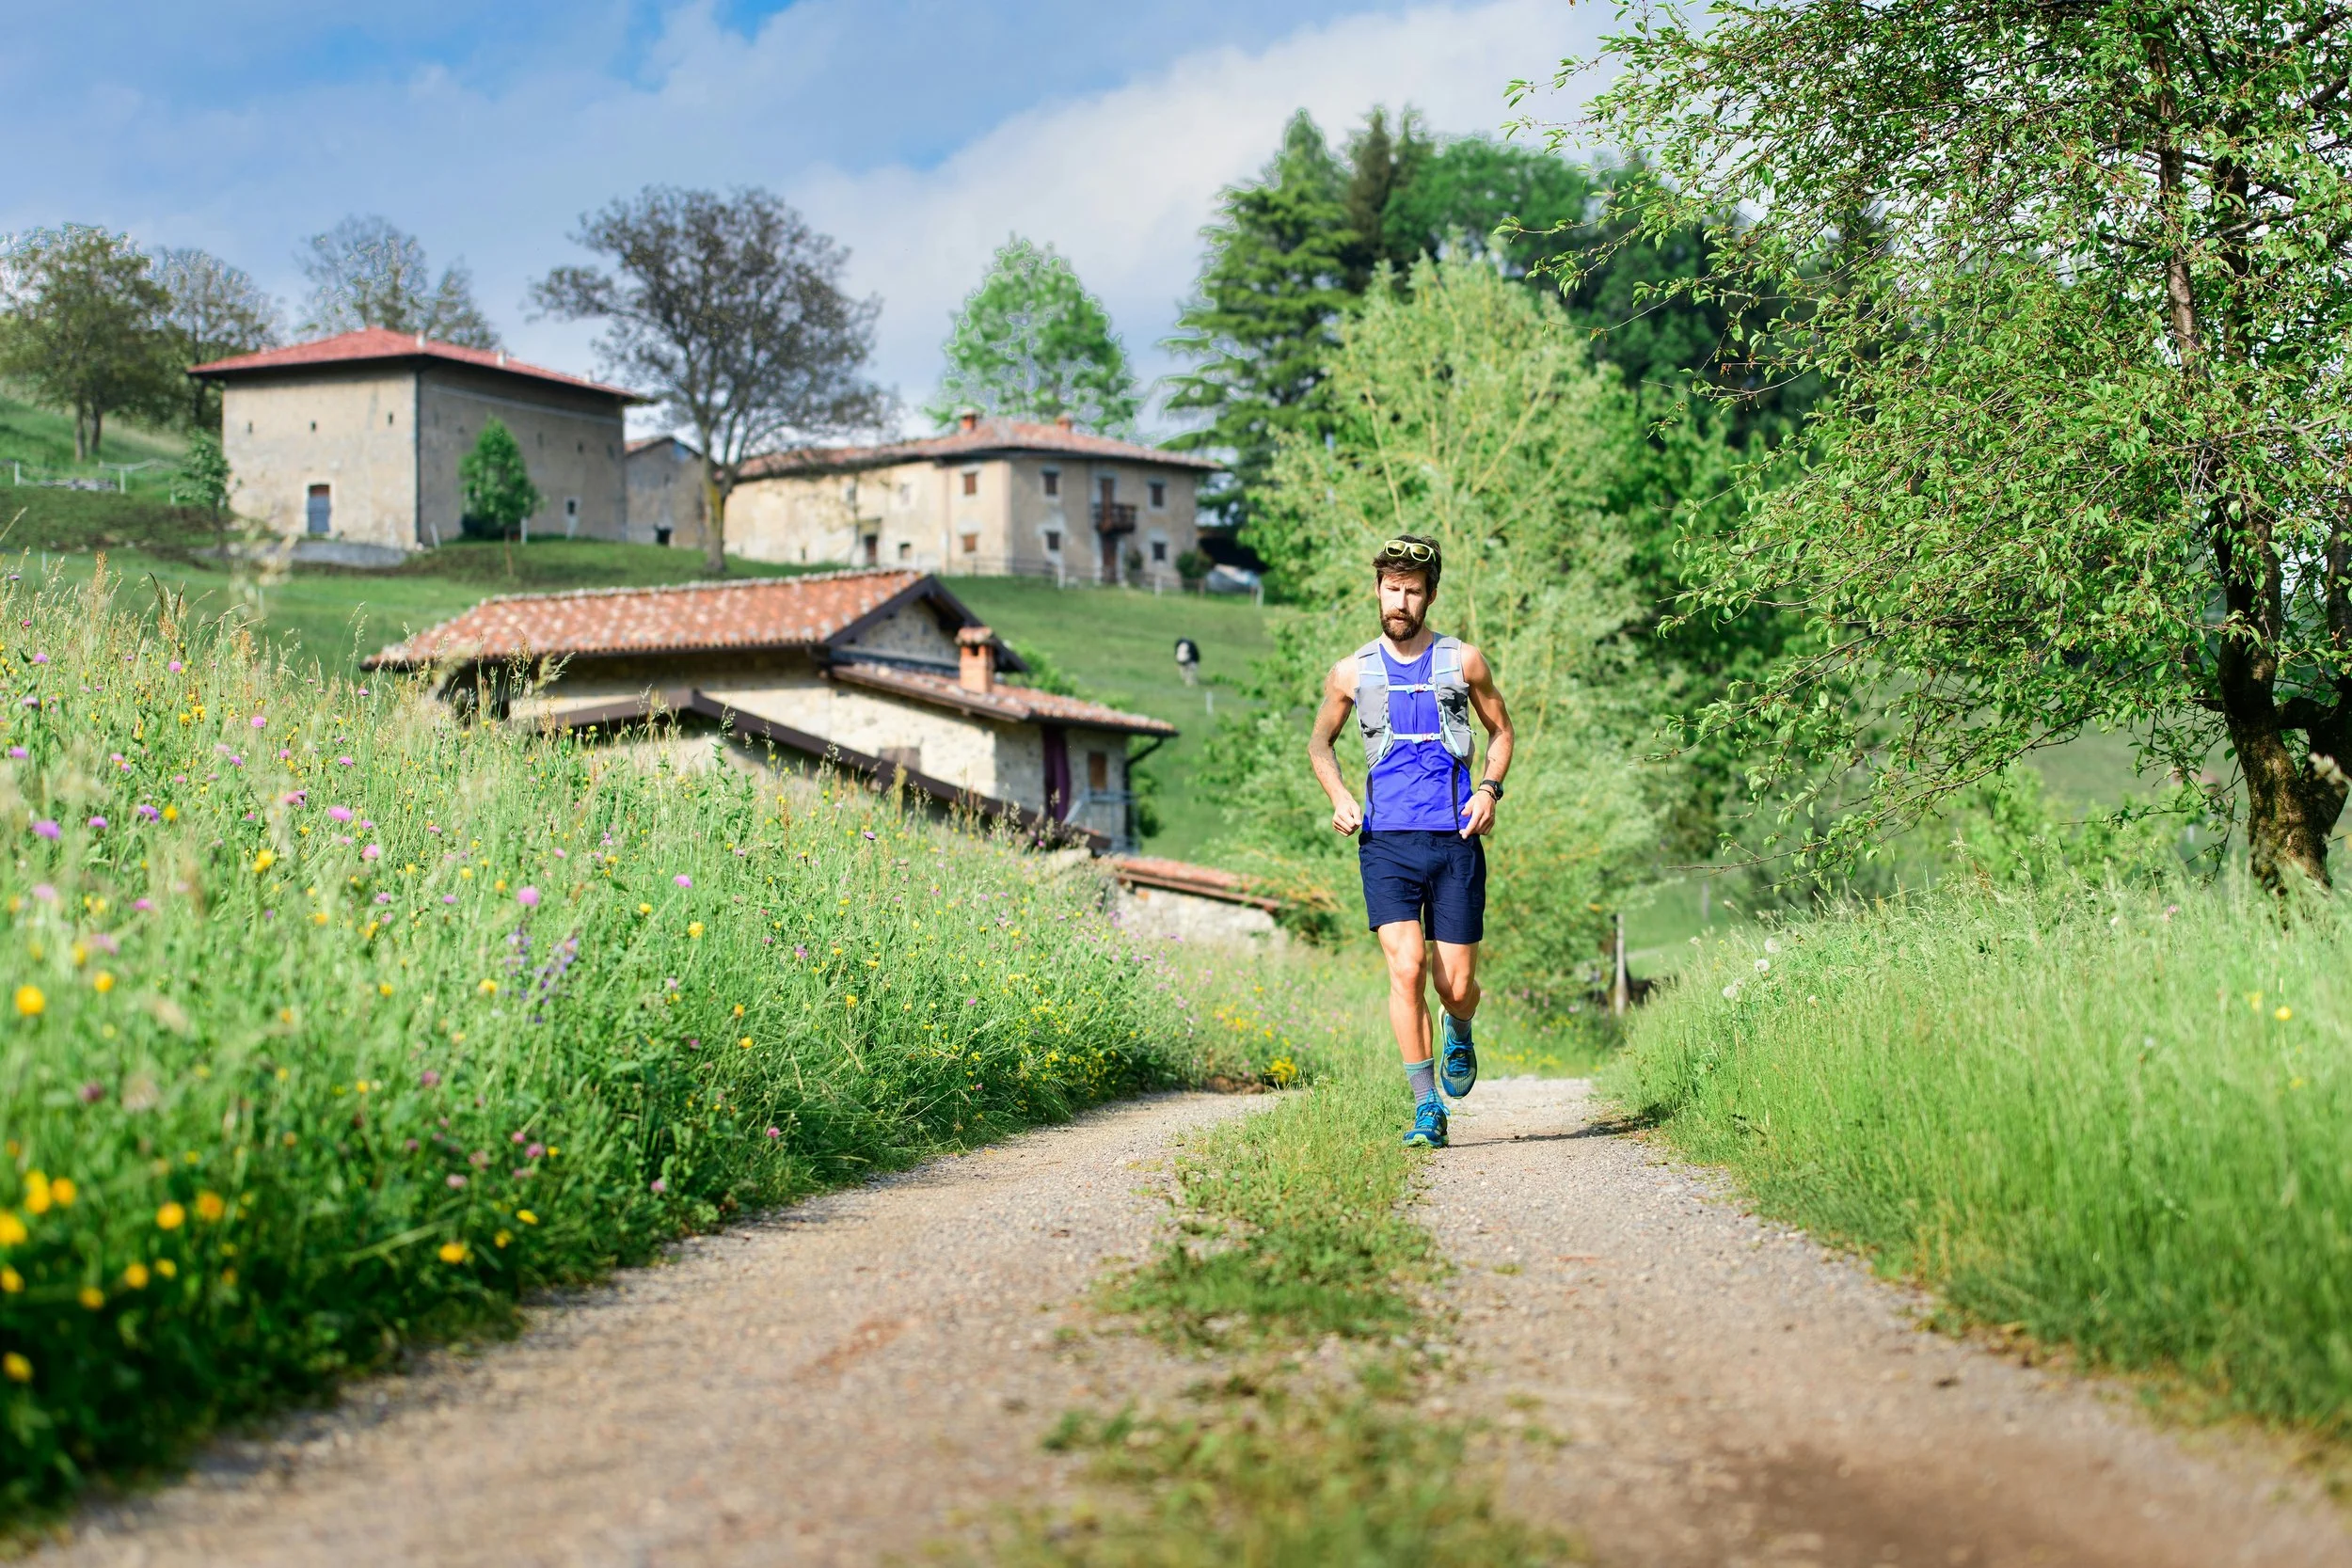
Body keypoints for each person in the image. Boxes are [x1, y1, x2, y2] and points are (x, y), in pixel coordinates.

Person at [1307, 534, 1514, 1148]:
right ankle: (1428, 1107)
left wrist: (1489, 791)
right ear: (1378, 590)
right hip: (1386, 841)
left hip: (1454, 837)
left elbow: (1501, 731)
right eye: (1391, 589)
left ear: (1429, 596)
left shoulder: (1463, 661)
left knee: (1454, 984)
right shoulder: (1351, 671)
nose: (1399, 601)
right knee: (1407, 967)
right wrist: (1341, 798)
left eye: (1412, 591)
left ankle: (1461, 1022)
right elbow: (1320, 744)